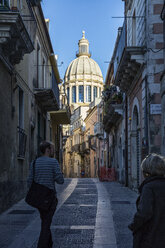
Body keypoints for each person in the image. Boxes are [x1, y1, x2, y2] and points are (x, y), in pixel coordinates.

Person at [27, 140, 64, 248]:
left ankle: (49, 244)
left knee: (45, 222)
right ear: (48, 150)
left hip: (38, 199)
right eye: (52, 148)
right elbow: (60, 180)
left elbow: (29, 181)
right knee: (46, 224)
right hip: (50, 198)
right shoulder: (53, 162)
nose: (53, 150)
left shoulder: (34, 163)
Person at [128, 153, 165, 248]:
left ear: (147, 171)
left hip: (151, 238)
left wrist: (134, 225)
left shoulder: (149, 187)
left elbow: (144, 213)